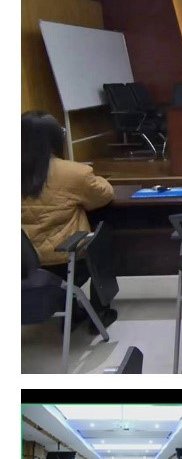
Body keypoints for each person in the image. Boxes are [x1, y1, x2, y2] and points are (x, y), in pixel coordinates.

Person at [21, 110, 116, 333]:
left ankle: (72, 308)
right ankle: (99, 312)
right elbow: (104, 195)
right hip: (66, 261)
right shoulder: (73, 173)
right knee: (103, 238)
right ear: (55, 138)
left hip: (23, 265)